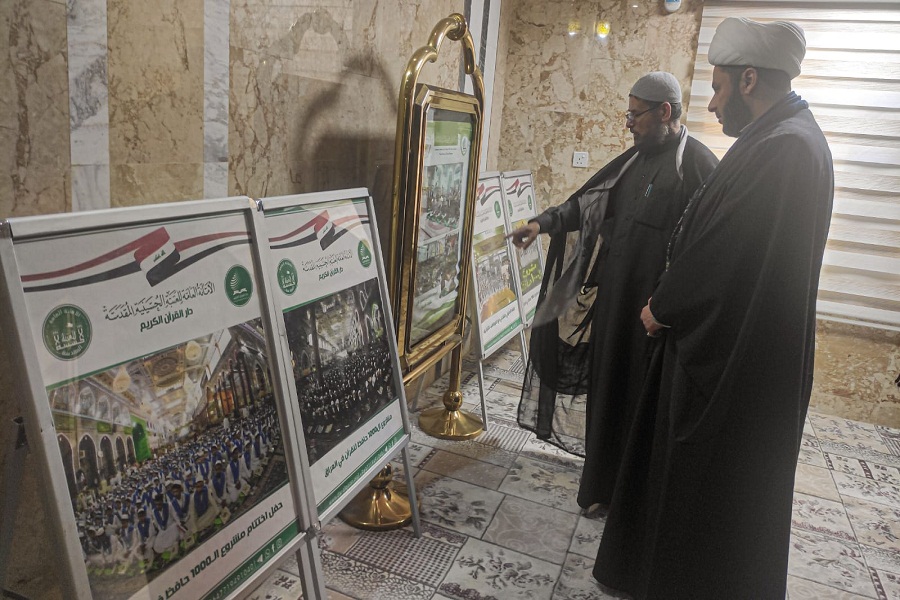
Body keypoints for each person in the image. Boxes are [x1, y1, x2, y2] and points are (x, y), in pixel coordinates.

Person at [592, 18, 834, 599]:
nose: (712, 100)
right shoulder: (780, 138)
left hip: (734, 364)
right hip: (737, 351)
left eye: (720, 87)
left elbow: (727, 257)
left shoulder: (786, 149)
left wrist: (664, 305)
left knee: (708, 489)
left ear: (750, 79)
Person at [511, 72, 718, 510]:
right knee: (608, 395)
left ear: (665, 112)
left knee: (637, 403)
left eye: (635, 114)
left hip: (653, 318)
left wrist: (666, 306)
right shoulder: (634, 160)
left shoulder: (697, 165)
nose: (628, 124)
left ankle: (631, 499)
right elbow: (587, 204)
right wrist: (541, 223)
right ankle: (600, 489)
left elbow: (706, 251)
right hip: (614, 308)